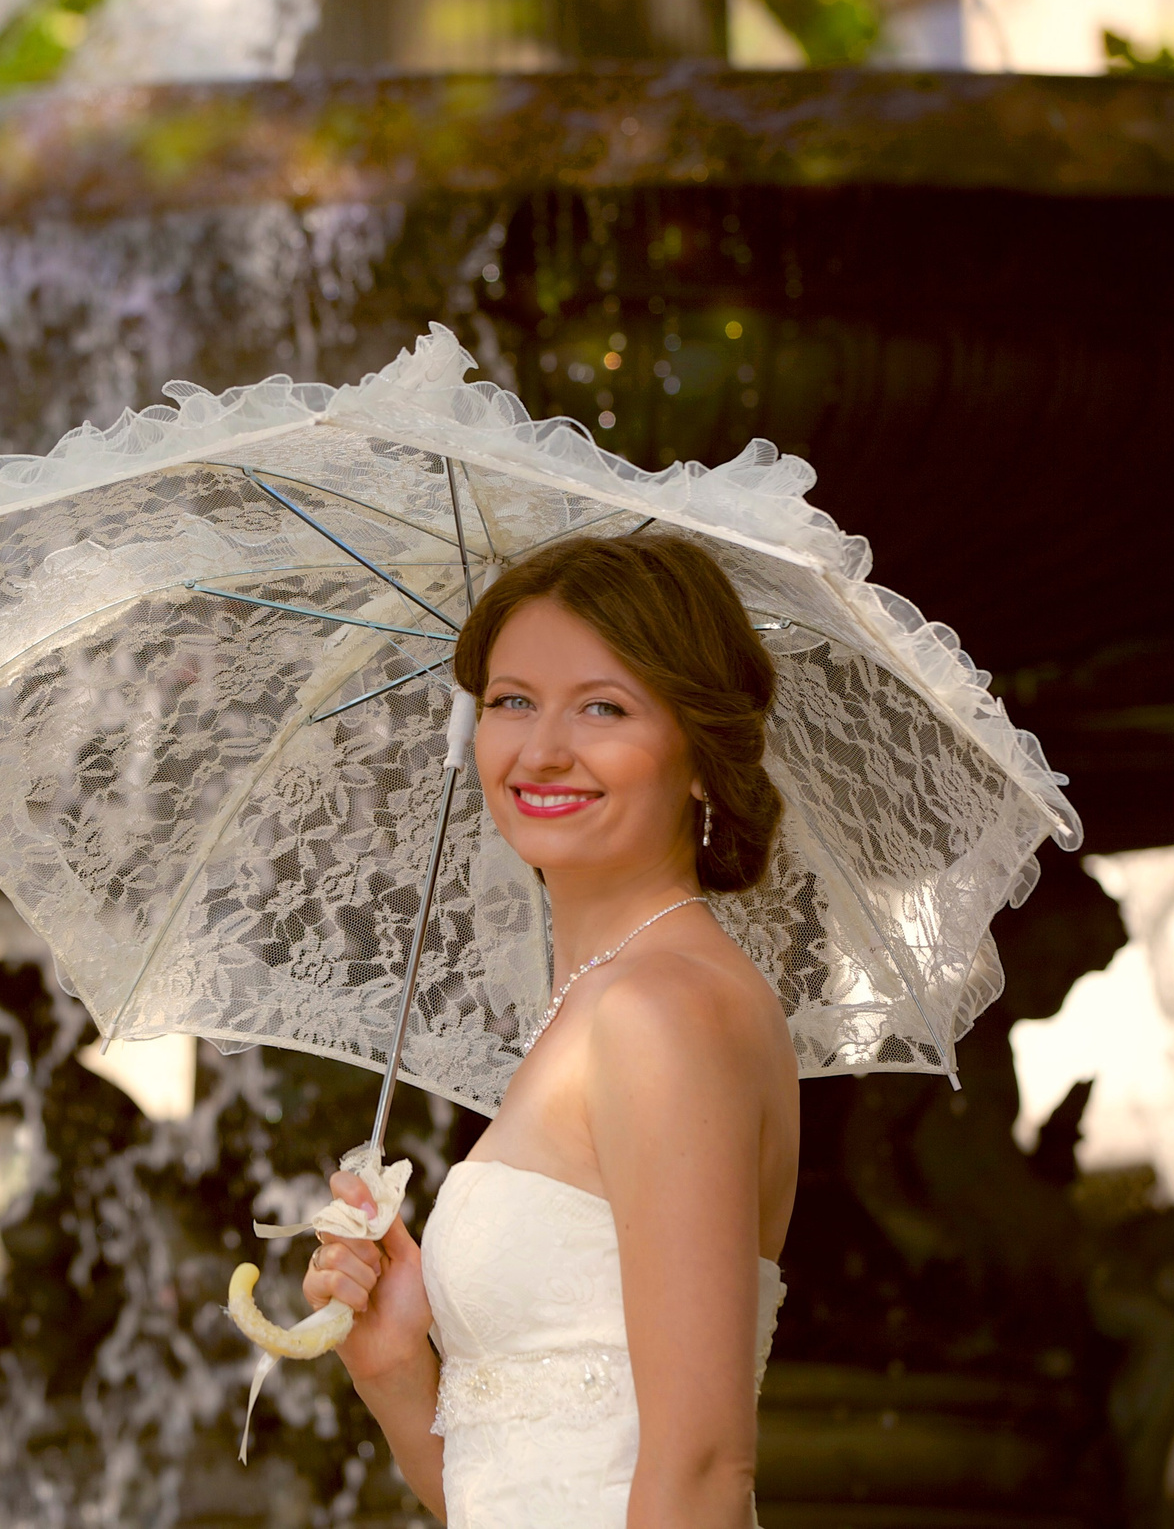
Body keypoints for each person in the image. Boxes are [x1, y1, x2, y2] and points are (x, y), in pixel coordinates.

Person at [300, 534, 801, 1529]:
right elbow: (526, 1491)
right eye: (511, 700)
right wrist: (398, 1367)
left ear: (701, 757)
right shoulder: (605, 1000)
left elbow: (702, 1471)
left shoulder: (659, 1015)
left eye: (602, 707)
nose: (540, 750)